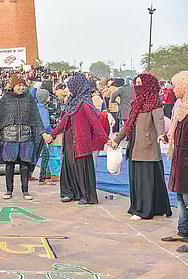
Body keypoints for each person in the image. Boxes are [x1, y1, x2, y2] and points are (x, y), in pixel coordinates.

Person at [109, 73, 171, 220]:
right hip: (135, 144)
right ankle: (146, 207)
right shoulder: (136, 102)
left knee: (147, 180)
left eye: (140, 83)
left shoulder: (154, 101)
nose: (137, 86)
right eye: (136, 83)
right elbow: (129, 124)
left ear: (148, 84)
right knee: (138, 179)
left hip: (148, 146)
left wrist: (161, 135)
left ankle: (145, 210)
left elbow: (159, 120)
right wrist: (117, 140)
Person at [0, 76, 49, 200]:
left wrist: (43, 132)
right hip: (9, 136)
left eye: (23, 85)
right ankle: (9, 190)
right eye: (18, 85)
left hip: (26, 136)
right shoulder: (6, 98)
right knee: (9, 165)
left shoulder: (29, 98)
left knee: (25, 165)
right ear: (13, 86)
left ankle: (25, 191)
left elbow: (36, 118)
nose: (21, 87)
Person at [52, 74, 109, 205]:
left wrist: (107, 140)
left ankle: (85, 195)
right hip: (69, 143)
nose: (68, 90)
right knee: (69, 167)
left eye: (70, 87)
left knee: (81, 169)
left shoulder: (85, 104)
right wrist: (53, 134)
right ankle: (69, 192)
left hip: (81, 142)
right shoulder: (71, 102)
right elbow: (63, 122)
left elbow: (96, 123)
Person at [161, 71, 188, 252]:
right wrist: (168, 138)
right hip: (180, 159)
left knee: (187, 198)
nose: (174, 89)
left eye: (177, 85)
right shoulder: (181, 108)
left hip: (186, 160)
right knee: (180, 196)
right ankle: (183, 231)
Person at [36, 88, 56, 186]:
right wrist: (51, 134)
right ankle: (42, 178)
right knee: (45, 155)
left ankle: (29, 174)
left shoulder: (36, 107)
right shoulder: (43, 109)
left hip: (35, 135)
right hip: (43, 135)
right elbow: (46, 124)